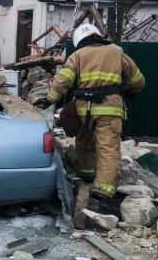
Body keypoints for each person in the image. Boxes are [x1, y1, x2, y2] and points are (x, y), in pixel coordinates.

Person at [35, 24, 145, 201]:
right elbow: (138, 79)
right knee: (108, 148)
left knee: (84, 141)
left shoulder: (77, 55)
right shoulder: (117, 52)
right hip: (110, 109)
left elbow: (63, 80)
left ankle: (87, 174)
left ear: (80, 41)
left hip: (83, 110)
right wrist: (132, 91)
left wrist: (50, 99)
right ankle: (104, 190)